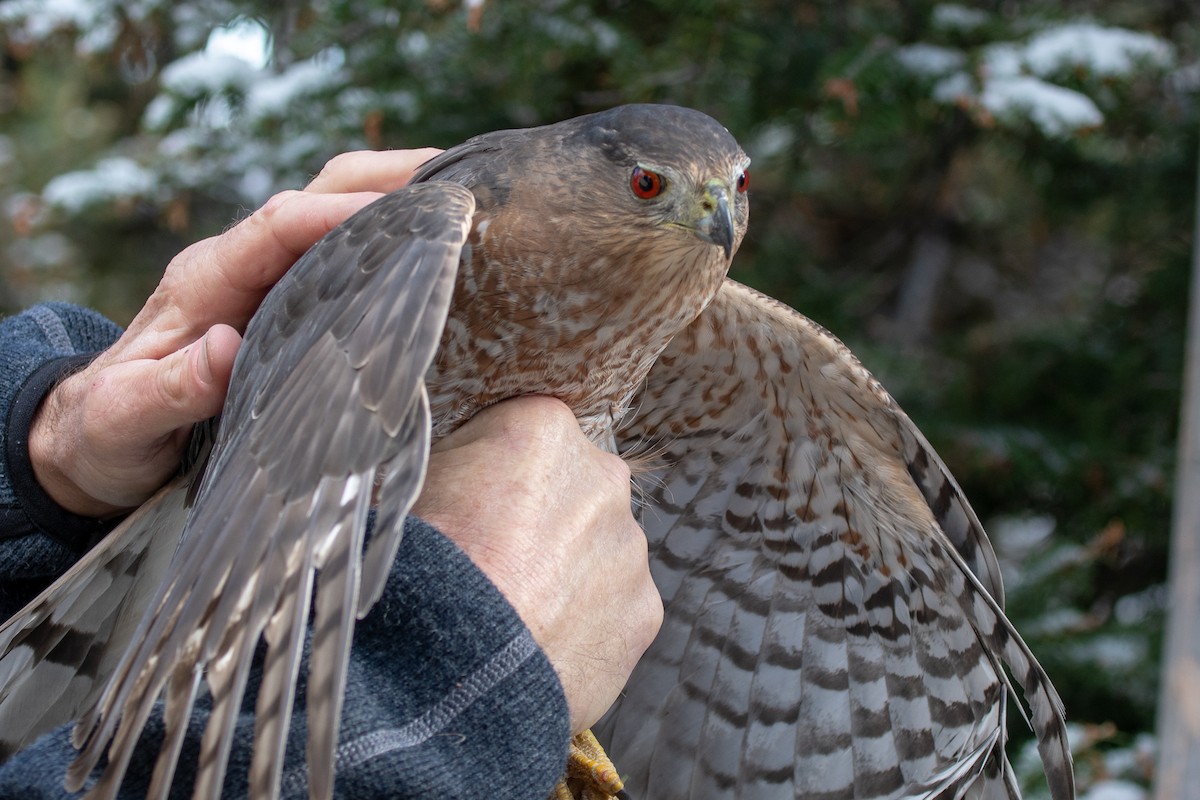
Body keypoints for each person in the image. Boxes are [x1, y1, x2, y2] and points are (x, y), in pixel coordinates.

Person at [0, 150, 663, 797]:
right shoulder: (447, 221)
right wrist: (464, 668)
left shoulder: (689, 312)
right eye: (648, 184)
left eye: (740, 184)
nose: (718, 209)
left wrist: (44, 453)